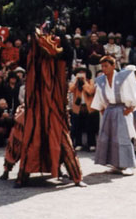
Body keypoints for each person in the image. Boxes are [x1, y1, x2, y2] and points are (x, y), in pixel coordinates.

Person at [16, 29, 86, 187]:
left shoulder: (59, 58)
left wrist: (60, 36)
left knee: (61, 139)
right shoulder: (35, 57)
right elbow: (27, 56)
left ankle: (77, 177)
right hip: (38, 108)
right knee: (32, 138)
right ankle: (22, 176)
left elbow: (66, 55)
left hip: (54, 106)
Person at [91, 56, 136, 176]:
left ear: (113, 66)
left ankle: (128, 165)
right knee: (110, 138)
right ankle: (116, 165)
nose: (103, 69)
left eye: (106, 66)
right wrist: (103, 110)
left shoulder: (123, 77)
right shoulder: (101, 80)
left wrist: (131, 108)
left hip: (121, 109)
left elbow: (132, 92)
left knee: (123, 138)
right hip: (109, 110)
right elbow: (100, 98)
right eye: (102, 66)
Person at [69, 66, 96, 151]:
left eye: (83, 72)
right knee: (78, 126)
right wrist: (76, 81)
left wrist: (84, 81)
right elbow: (70, 89)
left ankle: (91, 144)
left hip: (88, 107)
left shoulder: (90, 81)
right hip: (78, 107)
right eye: (79, 72)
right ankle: (78, 143)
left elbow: (91, 91)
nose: (81, 74)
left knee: (90, 126)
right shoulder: (74, 82)